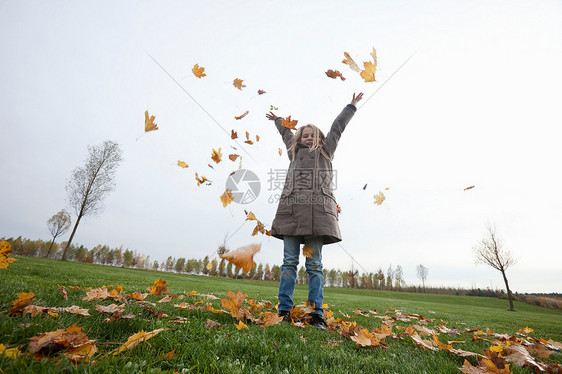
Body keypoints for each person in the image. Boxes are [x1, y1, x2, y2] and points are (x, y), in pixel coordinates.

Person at [265, 92, 364, 330]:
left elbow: (337, 128)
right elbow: (286, 133)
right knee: (289, 262)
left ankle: (316, 313)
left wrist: (350, 106)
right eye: (305, 135)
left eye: (313, 135)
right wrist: (279, 120)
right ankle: (284, 311)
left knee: (314, 266)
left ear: (320, 138)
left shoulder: (326, 151)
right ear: (299, 139)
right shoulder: (293, 152)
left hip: (318, 217)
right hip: (291, 214)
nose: (309, 138)